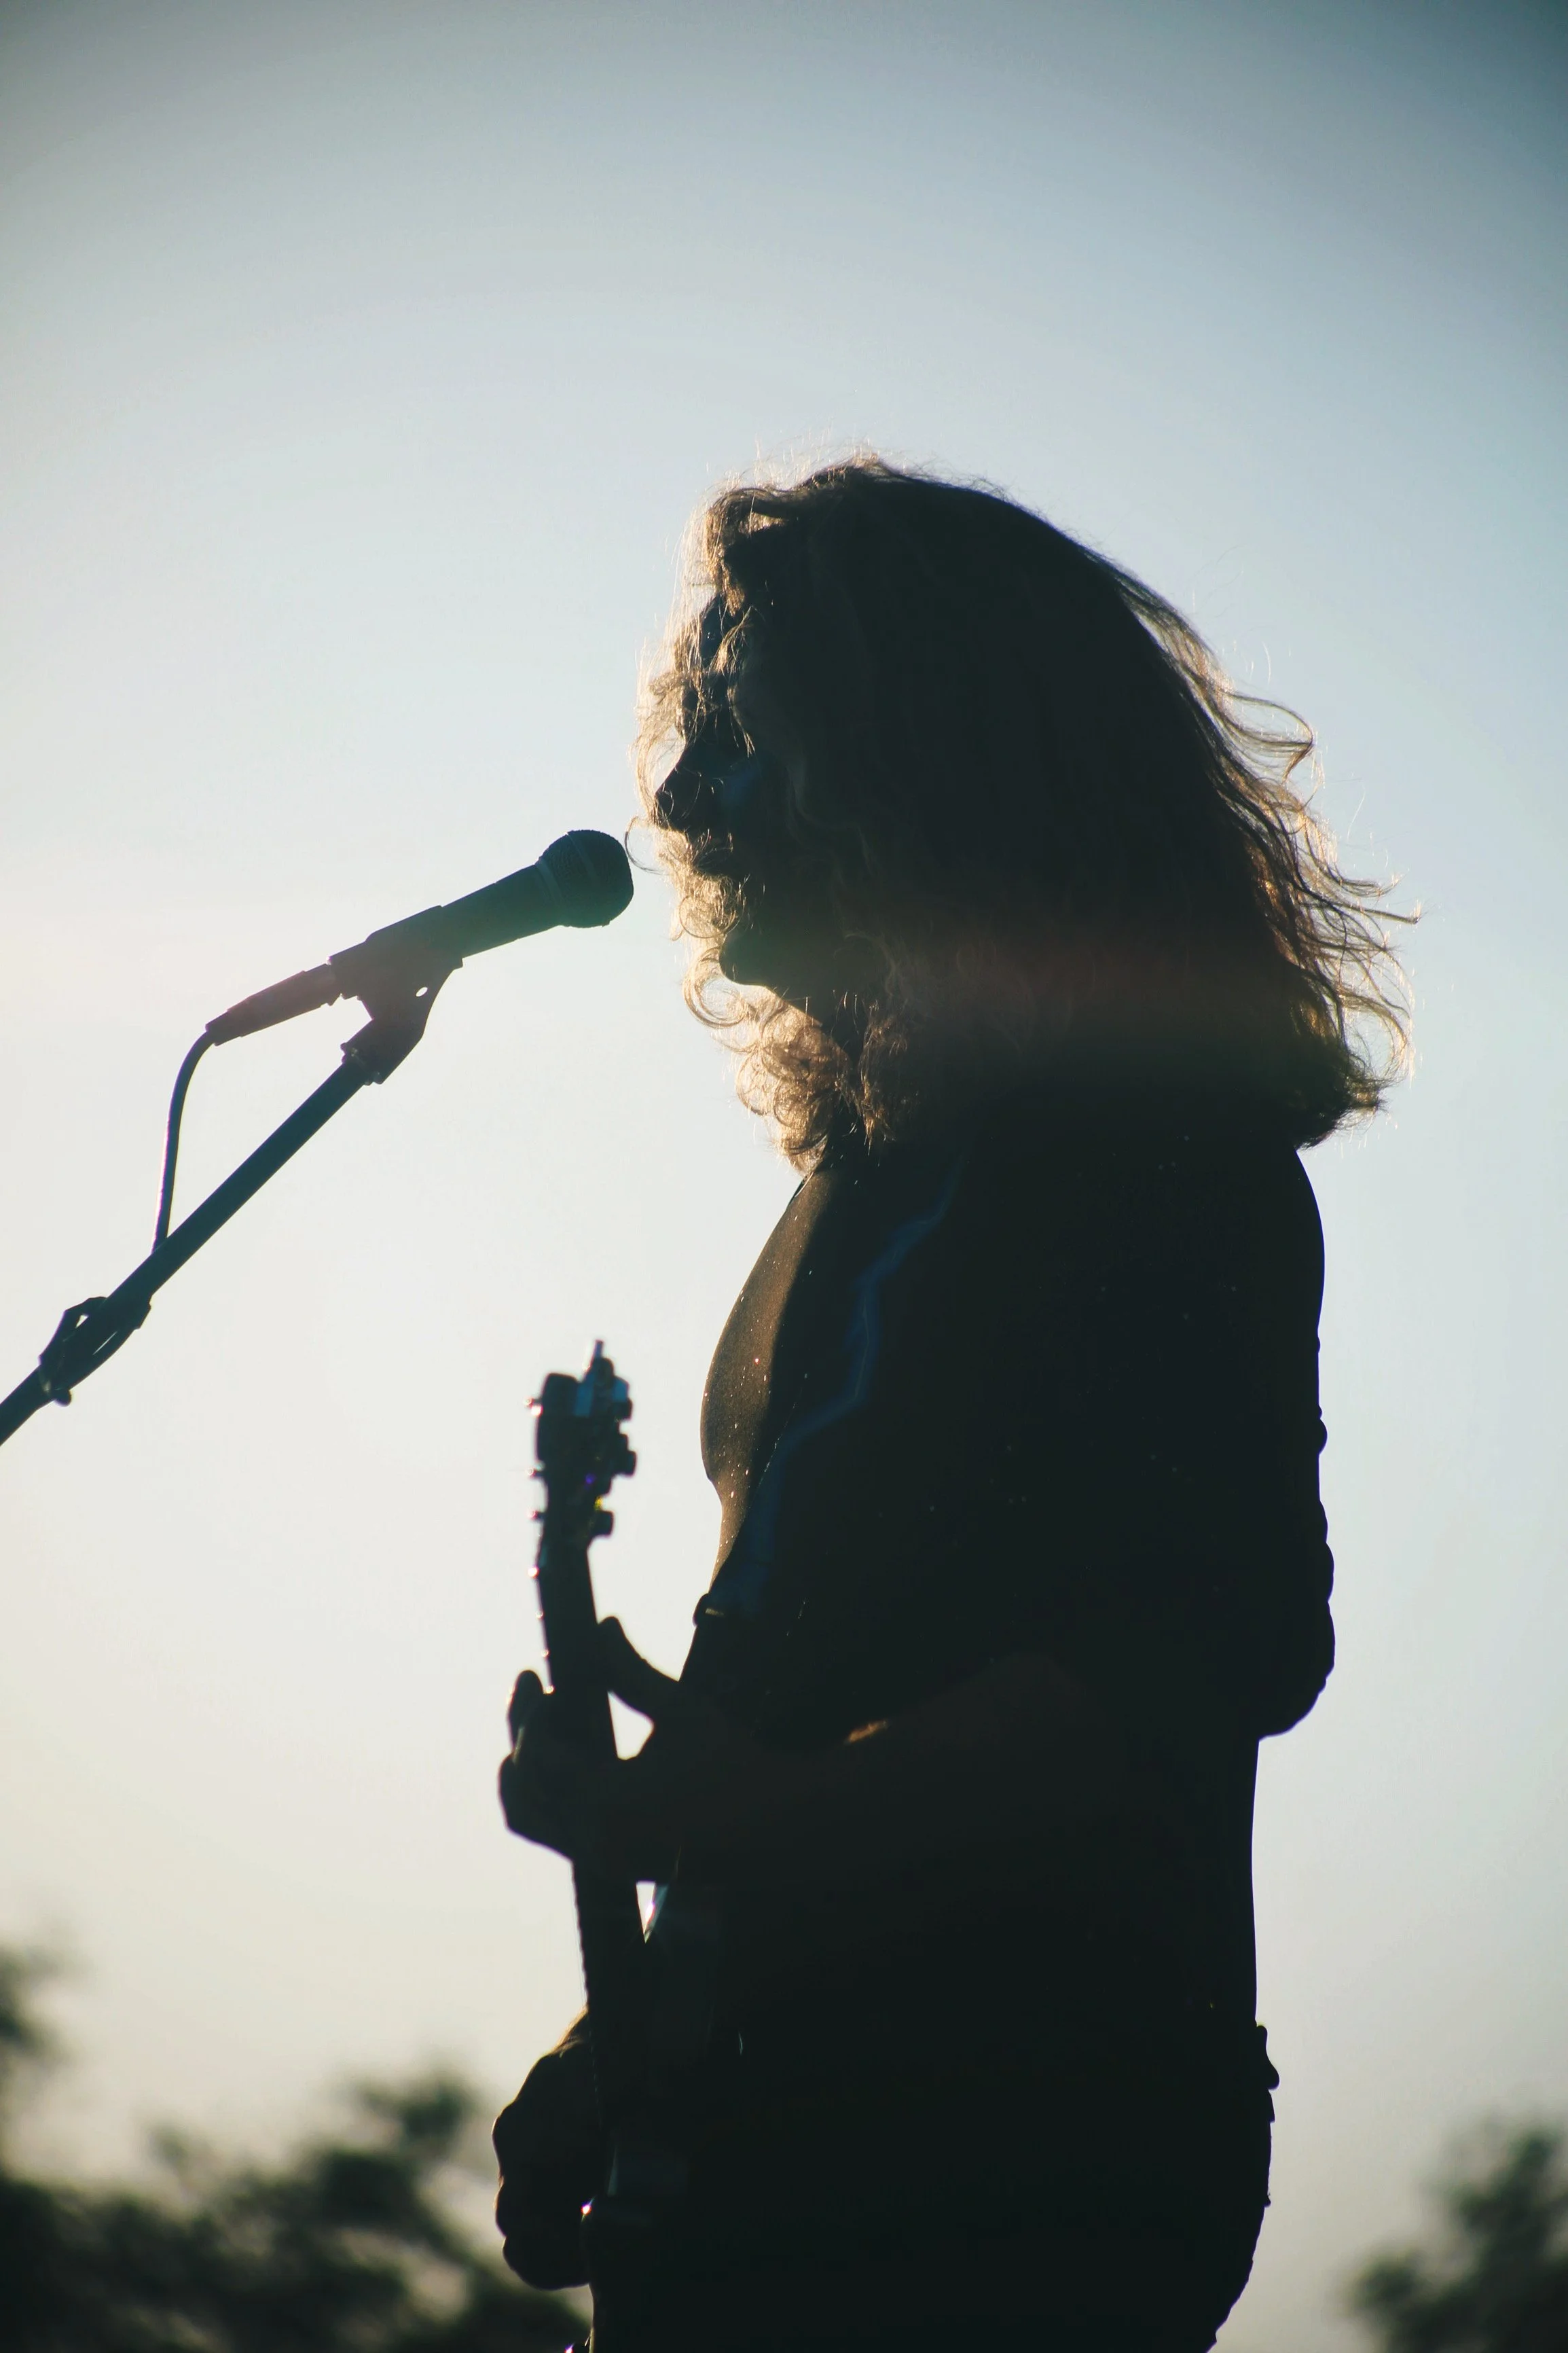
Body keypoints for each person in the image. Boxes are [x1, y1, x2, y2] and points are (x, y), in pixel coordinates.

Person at [492, 459, 1408, 2352]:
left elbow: (1192, 1657)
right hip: (779, 2120)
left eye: (741, 738)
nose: (674, 800)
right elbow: (790, 1720)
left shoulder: (1156, 1148)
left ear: (924, 763)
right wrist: (633, 2026)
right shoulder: (860, 1186)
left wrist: (746, 1831)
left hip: (1014, 2137)